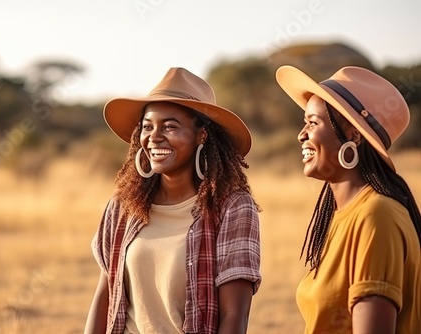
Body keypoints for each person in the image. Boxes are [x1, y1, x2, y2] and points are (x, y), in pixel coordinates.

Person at [84, 67, 262, 334]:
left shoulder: (232, 207)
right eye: (147, 127)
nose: (154, 137)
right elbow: (104, 297)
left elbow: (235, 315)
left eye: (170, 126)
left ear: (201, 135)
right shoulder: (123, 205)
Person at [275, 65, 421, 333]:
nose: (301, 134)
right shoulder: (346, 214)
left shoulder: (376, 216)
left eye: (312, 122)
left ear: (353, 134)